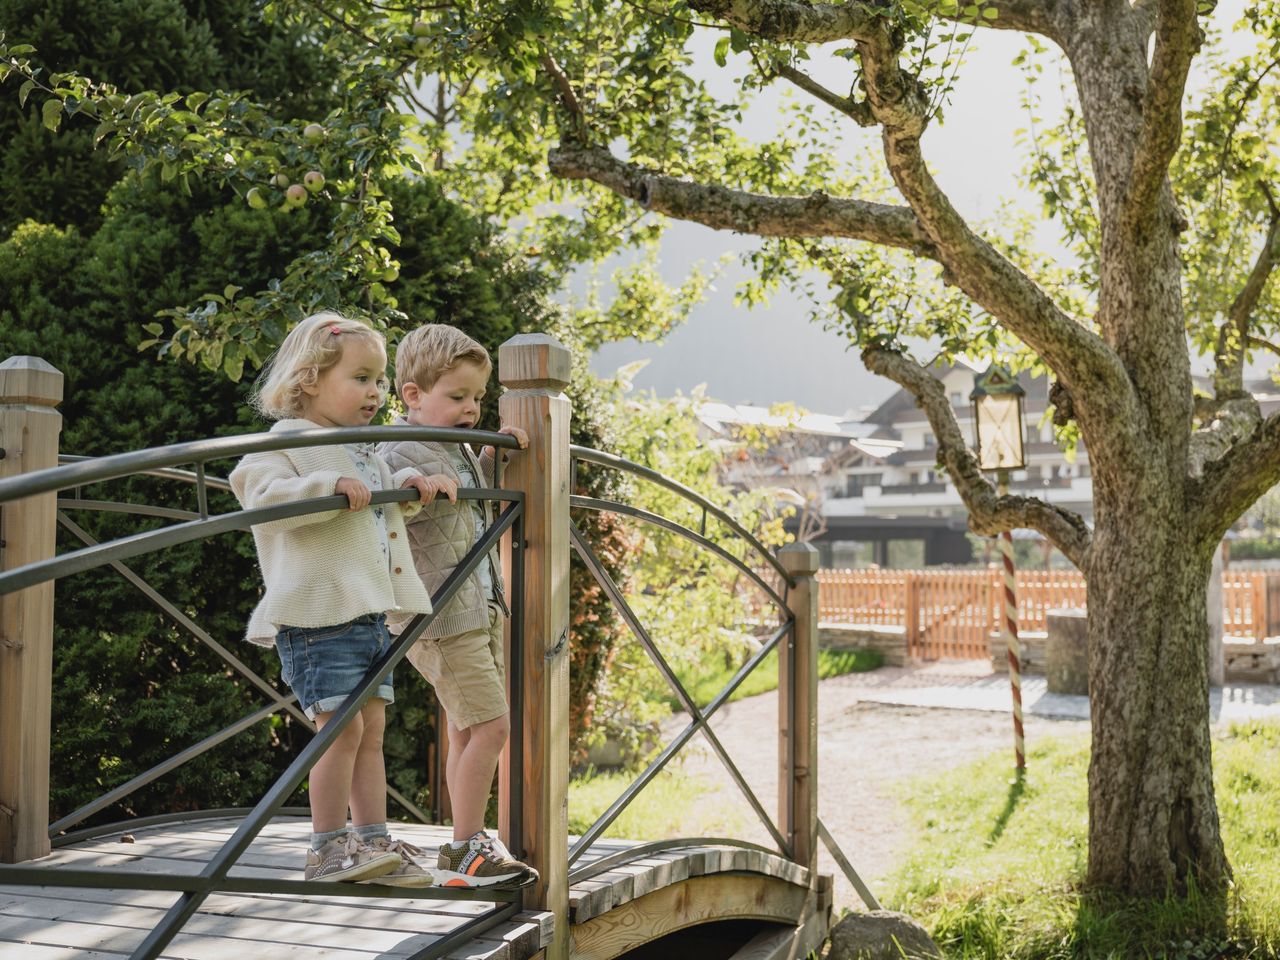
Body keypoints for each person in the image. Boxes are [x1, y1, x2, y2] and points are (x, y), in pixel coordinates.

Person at [230, 311, 454, 885]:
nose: (375, 392)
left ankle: (372, 843)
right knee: (341, 732)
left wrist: (407, 496)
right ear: (308, 381)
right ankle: (326, 850)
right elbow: (253, 489)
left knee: (370, 733)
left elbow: (374, 512)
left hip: (366, 615)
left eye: (379, 380)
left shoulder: (362, 452)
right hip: (316, 618)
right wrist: (321, 487)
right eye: (361, 378)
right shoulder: (285, 442)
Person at [380, 323, 536, 889]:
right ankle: (467, 846)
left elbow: (472, 507)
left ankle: (464, 841)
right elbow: (389, 492)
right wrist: (413, 484)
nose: (471, 409)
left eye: (477, 398)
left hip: (476, 604)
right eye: (457, 397)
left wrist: (498, 460)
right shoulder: (403, 447)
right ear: (414, 396)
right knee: (492, 727)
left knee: (466, 730)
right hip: (440, 616)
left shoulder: (457, 445)